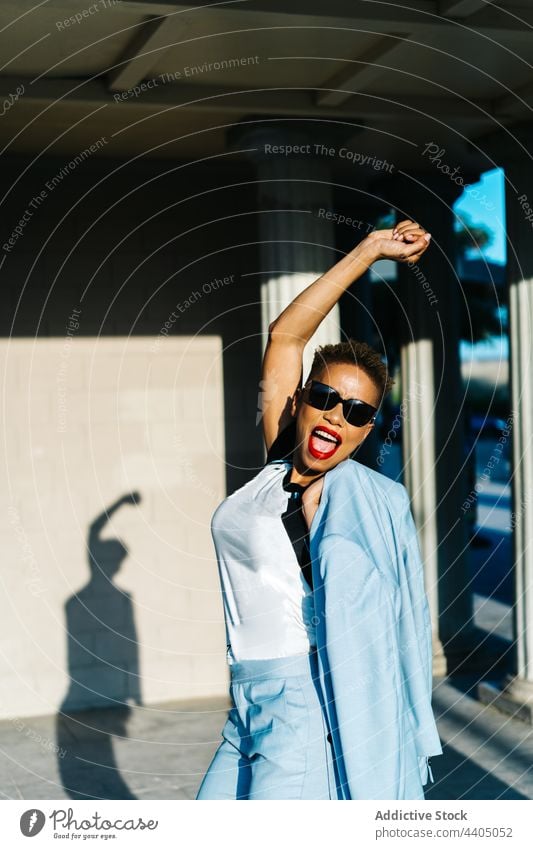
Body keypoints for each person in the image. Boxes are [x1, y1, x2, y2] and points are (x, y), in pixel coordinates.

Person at [196, 220, 435, 800]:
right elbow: (286, 337)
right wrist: (371, 250)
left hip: (299, 705)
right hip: (247, 699)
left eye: (356, 412)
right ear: (301, 399)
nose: (336, 416)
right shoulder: (279, 462)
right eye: (326, 399)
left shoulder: (348, 498)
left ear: (367, 430)